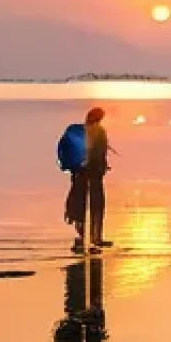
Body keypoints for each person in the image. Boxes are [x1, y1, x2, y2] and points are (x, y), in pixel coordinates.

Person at [64, 107, 112, 253]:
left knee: (79, 203)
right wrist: (103, 166)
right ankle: (96, 236)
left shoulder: (81, 131)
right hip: (94, 170)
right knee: (97, 204)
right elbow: (99, 152)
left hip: (81, 170)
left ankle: (81, 236)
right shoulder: (100, 131)